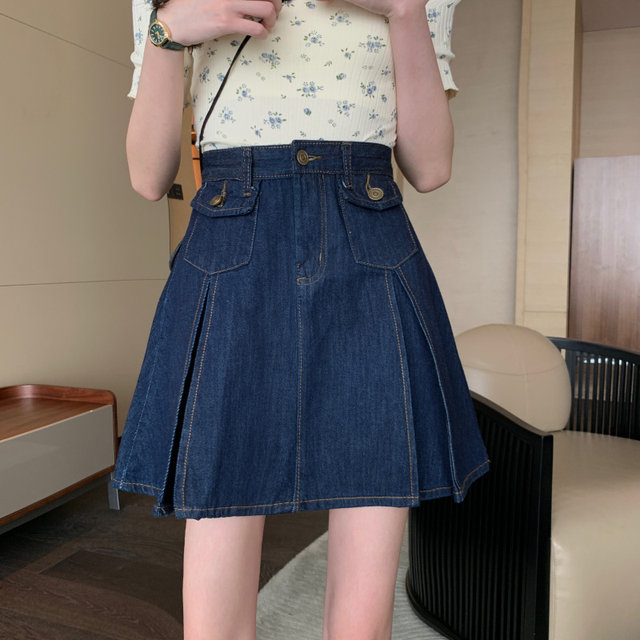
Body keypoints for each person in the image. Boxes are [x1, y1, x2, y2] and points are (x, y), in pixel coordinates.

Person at [111, 1, 490, 639]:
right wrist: (167, 31)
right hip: (232, 241)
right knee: (214, 603)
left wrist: (403, 11)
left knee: (365, 606)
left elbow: (431, 167)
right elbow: (149, 177)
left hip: (369, 240)